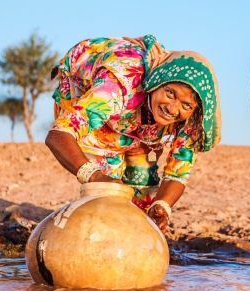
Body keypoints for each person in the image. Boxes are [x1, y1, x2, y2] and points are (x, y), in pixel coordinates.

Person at [46, 35, 221, 234]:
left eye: (186, 105)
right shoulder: (118, 84)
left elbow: (178, 172)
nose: (173, 108)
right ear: (157, 83)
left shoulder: (192, 119)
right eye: (170, 93)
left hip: (137, 114)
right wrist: (95, 177)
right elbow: (58, 135)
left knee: (145, 192)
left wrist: (162, 206)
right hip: (87, 86)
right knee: (109, 190)